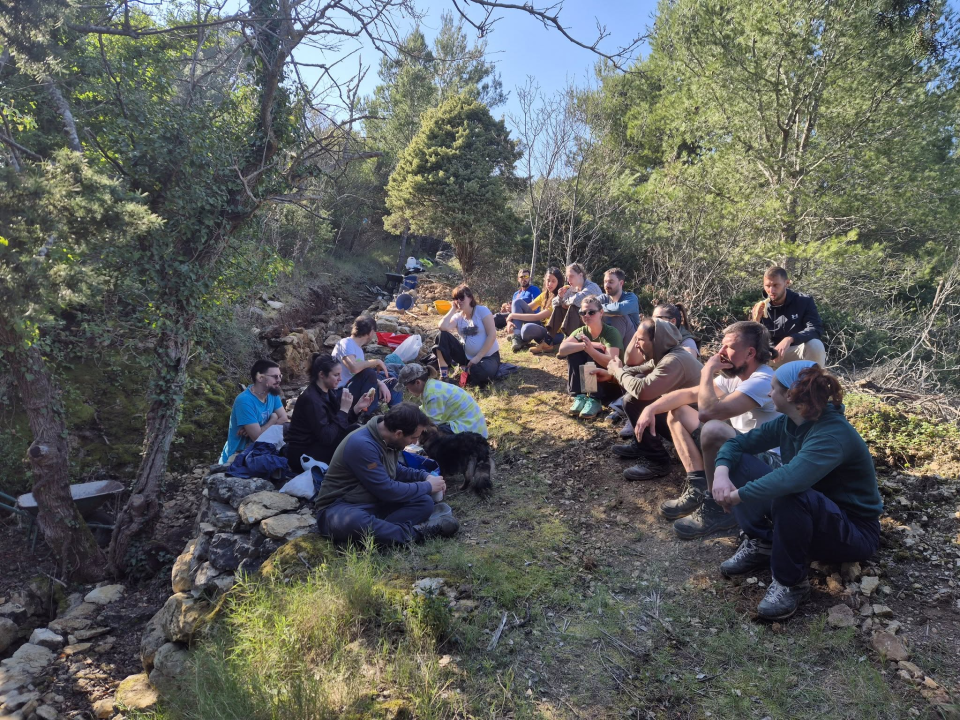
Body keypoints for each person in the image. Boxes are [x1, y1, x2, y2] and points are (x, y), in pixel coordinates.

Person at [711, 362, 882, 620]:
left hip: (853, 530)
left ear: (790, 395)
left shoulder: (832, 433)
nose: (769, 395)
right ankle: (764, 543)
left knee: (792, 494)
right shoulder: (789, 422)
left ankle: (791, 583)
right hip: (817, 512)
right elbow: (738, 444)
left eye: (773, 389)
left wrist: (735, 496)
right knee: (741, 462)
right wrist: (721, 474)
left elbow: (792, 480)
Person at [627, 322, 781, 532]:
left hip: (770, 465)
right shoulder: (736, 377)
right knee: (678, 412)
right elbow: (689, 394)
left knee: (714, 429)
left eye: (729, 347)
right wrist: (651, 409)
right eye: (722, 346)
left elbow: (708, 413)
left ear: (750, 353)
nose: (721, 353)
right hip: (744, 451)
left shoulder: (762, 380)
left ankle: (717, 508)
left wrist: (708, 370)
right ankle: (698, 486)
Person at [315, 403, 460, 546]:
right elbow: (388, 490)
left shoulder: (388, 439)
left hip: (374, 503)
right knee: (354, 521)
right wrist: (427, 486)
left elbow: (396, 469)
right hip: (341, 507)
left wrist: (424, 476)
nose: (415, 442)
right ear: (398, 433)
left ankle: (379, 534)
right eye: (413, 438)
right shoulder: (362, 445)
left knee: (424, 502)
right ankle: (415, 534)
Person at [603, 319, 702, 479]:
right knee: (638, 379)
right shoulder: (666, 354)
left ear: (656, 341)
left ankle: (657, 461)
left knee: (633, 400)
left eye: (640, 340)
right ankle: (642, 444)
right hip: (688, 420)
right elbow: (636, 370)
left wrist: (618, 372)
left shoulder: (674, 361)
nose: (636, 344)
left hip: (697, 431)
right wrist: (611, 373)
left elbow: (642, 391)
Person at [284, 354, 376, 471]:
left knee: (357, 430)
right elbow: (327, 437)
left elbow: (338, 425)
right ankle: (370, 470)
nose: (340, 379)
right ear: (322, 375)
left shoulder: (329, 392)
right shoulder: (311, 399)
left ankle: (373, 467)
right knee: (354, 435)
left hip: (318, 445)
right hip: (303, 455)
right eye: (336, 375)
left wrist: (357, 408)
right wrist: (343, 410)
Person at [558, 295, 625, 419]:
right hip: (587, 383)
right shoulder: (581, 332)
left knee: (596, 350)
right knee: (575, 349)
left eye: (591, 312)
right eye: (583, 312)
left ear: (601, 313)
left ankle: (595, 399)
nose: (586, 315)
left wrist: (591, 349)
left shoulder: (610, 332)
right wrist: (587, 345)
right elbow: (562, 350)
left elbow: (612, 363)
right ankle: (580, 396)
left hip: (609, 384)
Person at [750, 266, 826, 367]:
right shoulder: (761, 307)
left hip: (795, 351)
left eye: (776, 285)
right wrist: (756, 320)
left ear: (787, 283)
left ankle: (813, 381)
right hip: (770, 355)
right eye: (767, 286)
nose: (771, 290)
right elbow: (750, 339)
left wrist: (790, 339)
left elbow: (815, 329)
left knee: (816, 345)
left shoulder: (803, 301)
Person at [220, 360, 289, 464]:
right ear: (260, 378)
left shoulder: (272, 394)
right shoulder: (244, 401)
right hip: (238, 456)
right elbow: (257, 437)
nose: (279, 380)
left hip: (260, 449)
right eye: (275, 376)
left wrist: (260, 429)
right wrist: (273, 419)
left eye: (280, 376)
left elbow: (284, 418)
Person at [399, 363, 488, 437]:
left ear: (417, 382)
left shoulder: (432, 394)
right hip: (469, 425)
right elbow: (425, 410)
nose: (408, 391)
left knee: (433, 435)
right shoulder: (430, 386)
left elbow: (432, 423)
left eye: (408, 388)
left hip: (472, 430)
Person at [531, 263, 603, 355]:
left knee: (573, 307)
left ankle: (568, 342)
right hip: (583, 321)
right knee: (559, 307)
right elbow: (554, 303)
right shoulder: (573, 288)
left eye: (571, 276)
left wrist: (564, 301)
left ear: (580, 275)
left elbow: (576, 300)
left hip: (595, 323)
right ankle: (548, 342)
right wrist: (560, 297)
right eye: (567, 277)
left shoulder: (591, 287)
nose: (568, 280)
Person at [435, 284, 501, 385]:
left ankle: (467, 370)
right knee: (441, 336)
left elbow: (492, 335)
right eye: (456, 298)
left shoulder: (482, 311)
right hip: (466, 357)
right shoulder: (458, 317)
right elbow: (442, 327)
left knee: (483, 373)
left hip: (487, 356)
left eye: (461, 297)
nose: (459, 301)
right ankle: (444, 376)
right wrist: (453, 309)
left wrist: (477, 358)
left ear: (470, 297)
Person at [333, 316, 400, 408]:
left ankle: (397, 413)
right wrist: (376, 361)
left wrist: (380, 383)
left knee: (392, 378)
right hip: (340, 392)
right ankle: (366, 414)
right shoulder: (346, 343)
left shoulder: (359, 350)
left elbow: (361, 374)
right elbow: (354, 368)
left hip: (352, 387)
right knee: (370, 372)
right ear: (371, 332)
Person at [505, 267, 565, 351]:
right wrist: (509, 320)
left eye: (553, 281)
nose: (550, 284)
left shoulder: (558, 299)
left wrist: (512, 315)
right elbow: (524, 308)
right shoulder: (544, 295)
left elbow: (537, 317)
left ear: (558, 282)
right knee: (517, 302)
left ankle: (521, 338)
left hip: (553, 334)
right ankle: (517, 337)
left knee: (526, 329)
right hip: (540, 326)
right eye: (548, 280)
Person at [495, 268, 541, 341]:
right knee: (496, 317)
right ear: (518, 279)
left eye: (526, 277)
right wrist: (510, 310)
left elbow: (536, 308)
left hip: (532, 318)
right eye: (521, 277)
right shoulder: (516, 294)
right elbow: (514, 311)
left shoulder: (534, 290)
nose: (523, 279)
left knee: (517, 302)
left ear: (529, 278)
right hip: (517, 317)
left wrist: (519, 307)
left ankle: (517, 336)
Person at [597, 268, 641, 342]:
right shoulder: (603, 298)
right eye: (605, 282)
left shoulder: (631, 298)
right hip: (605, 339)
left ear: (621, 283)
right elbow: (584, 308)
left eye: (611, 282)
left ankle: (613, 350)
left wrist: (598, 309)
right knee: (589, 314)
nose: (607, 285)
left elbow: (619, 309)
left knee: (618, 315)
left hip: (630, 343)